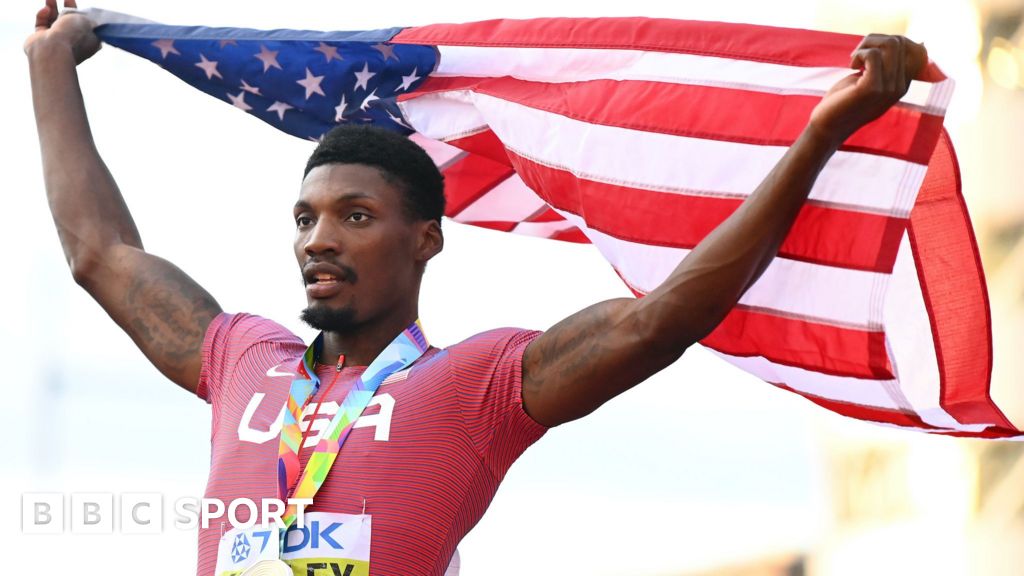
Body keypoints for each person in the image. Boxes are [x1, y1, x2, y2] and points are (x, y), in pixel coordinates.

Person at [25, 0, 928, 574]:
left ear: (427, 240)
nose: (319, 240)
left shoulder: (477, 385)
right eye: (305, 218)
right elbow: (100, 253)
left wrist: (818, 137)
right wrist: (48, 65)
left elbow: (662, 318)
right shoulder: (242, 358)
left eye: (354, 216)